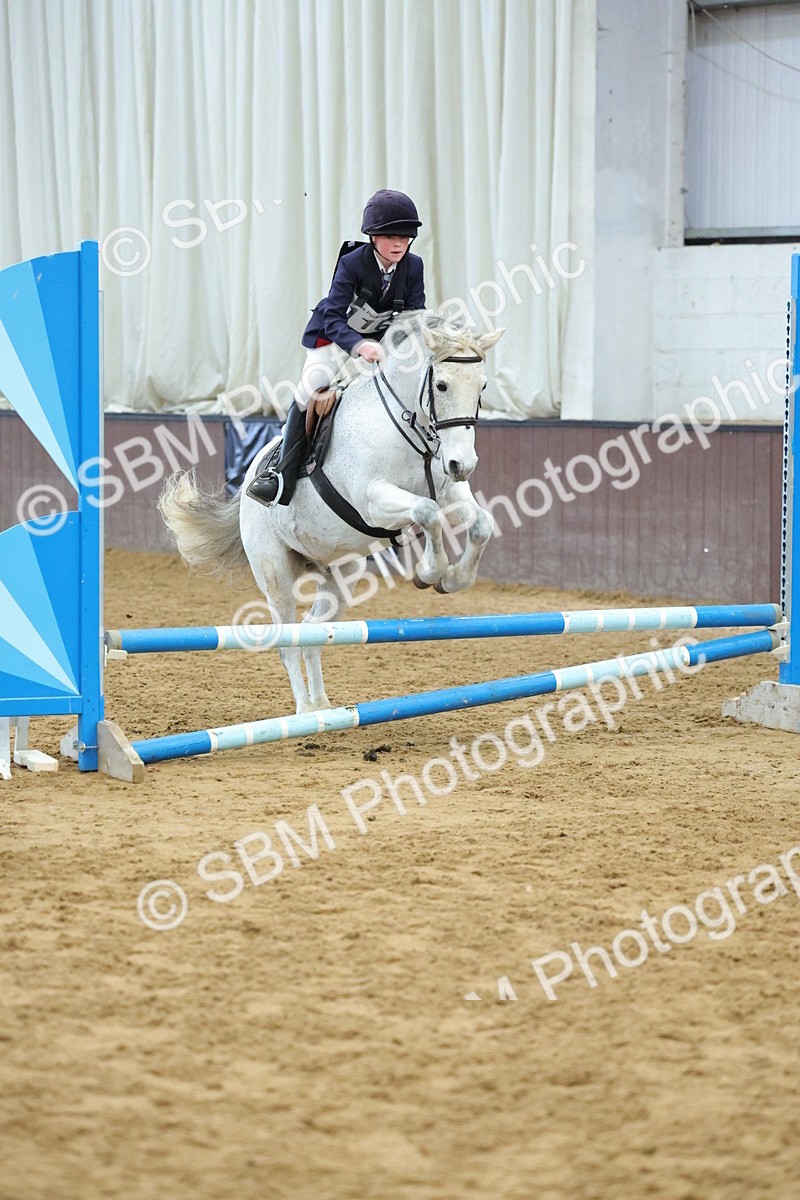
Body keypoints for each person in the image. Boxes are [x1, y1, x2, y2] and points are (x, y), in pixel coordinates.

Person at [247, 189, 426, 507]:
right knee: (310, 389)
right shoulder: (352, 263)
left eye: (405, 236)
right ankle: (281, 476)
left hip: (380, 343)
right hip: (334, 338)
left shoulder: (414, 266)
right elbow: (332, 316)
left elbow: (414, 316)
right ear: (372, 236)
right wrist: (359, 346)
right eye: (390, 236)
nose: (399, 244)